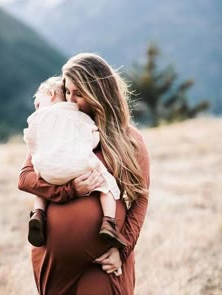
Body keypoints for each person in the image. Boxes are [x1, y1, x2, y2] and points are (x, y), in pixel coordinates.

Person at [18, 53, 150, 295]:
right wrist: (69, 191)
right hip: (54, 262)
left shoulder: (129, 140)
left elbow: (140, 199)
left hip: (103, 264)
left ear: (100, 92)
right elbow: (26, 178)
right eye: (68, 92)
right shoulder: (55, 131)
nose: (72, 101)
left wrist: (123, 250)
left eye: (79, 93)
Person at [23, 76, 127, 251]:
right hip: (77, 168)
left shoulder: (37, 119)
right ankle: (109, 222)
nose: (37, 108)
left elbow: (29, 138)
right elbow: (93, 139)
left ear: (50, 94)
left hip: (45, 168)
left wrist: (38, 157)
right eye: (69, 92)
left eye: (38, 104)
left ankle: (38, 214)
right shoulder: (78, 116)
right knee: (104, 184)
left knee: (40, 186)